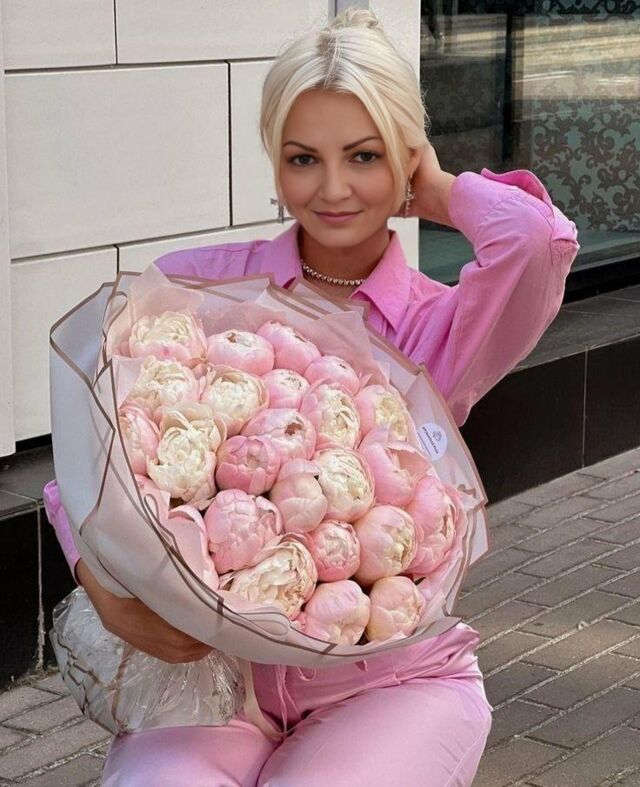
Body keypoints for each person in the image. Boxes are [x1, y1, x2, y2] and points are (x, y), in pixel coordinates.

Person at [43, 8, 580, 786]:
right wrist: (108, 593)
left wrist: (436, 190)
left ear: (405, 156)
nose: (332, 189)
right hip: (213, 686)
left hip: (389, 683)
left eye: (364, 155)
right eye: (303, 158)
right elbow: (86, 460)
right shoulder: (198, 289)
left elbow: (534, 243)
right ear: (275, 162)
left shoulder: (437, 329)